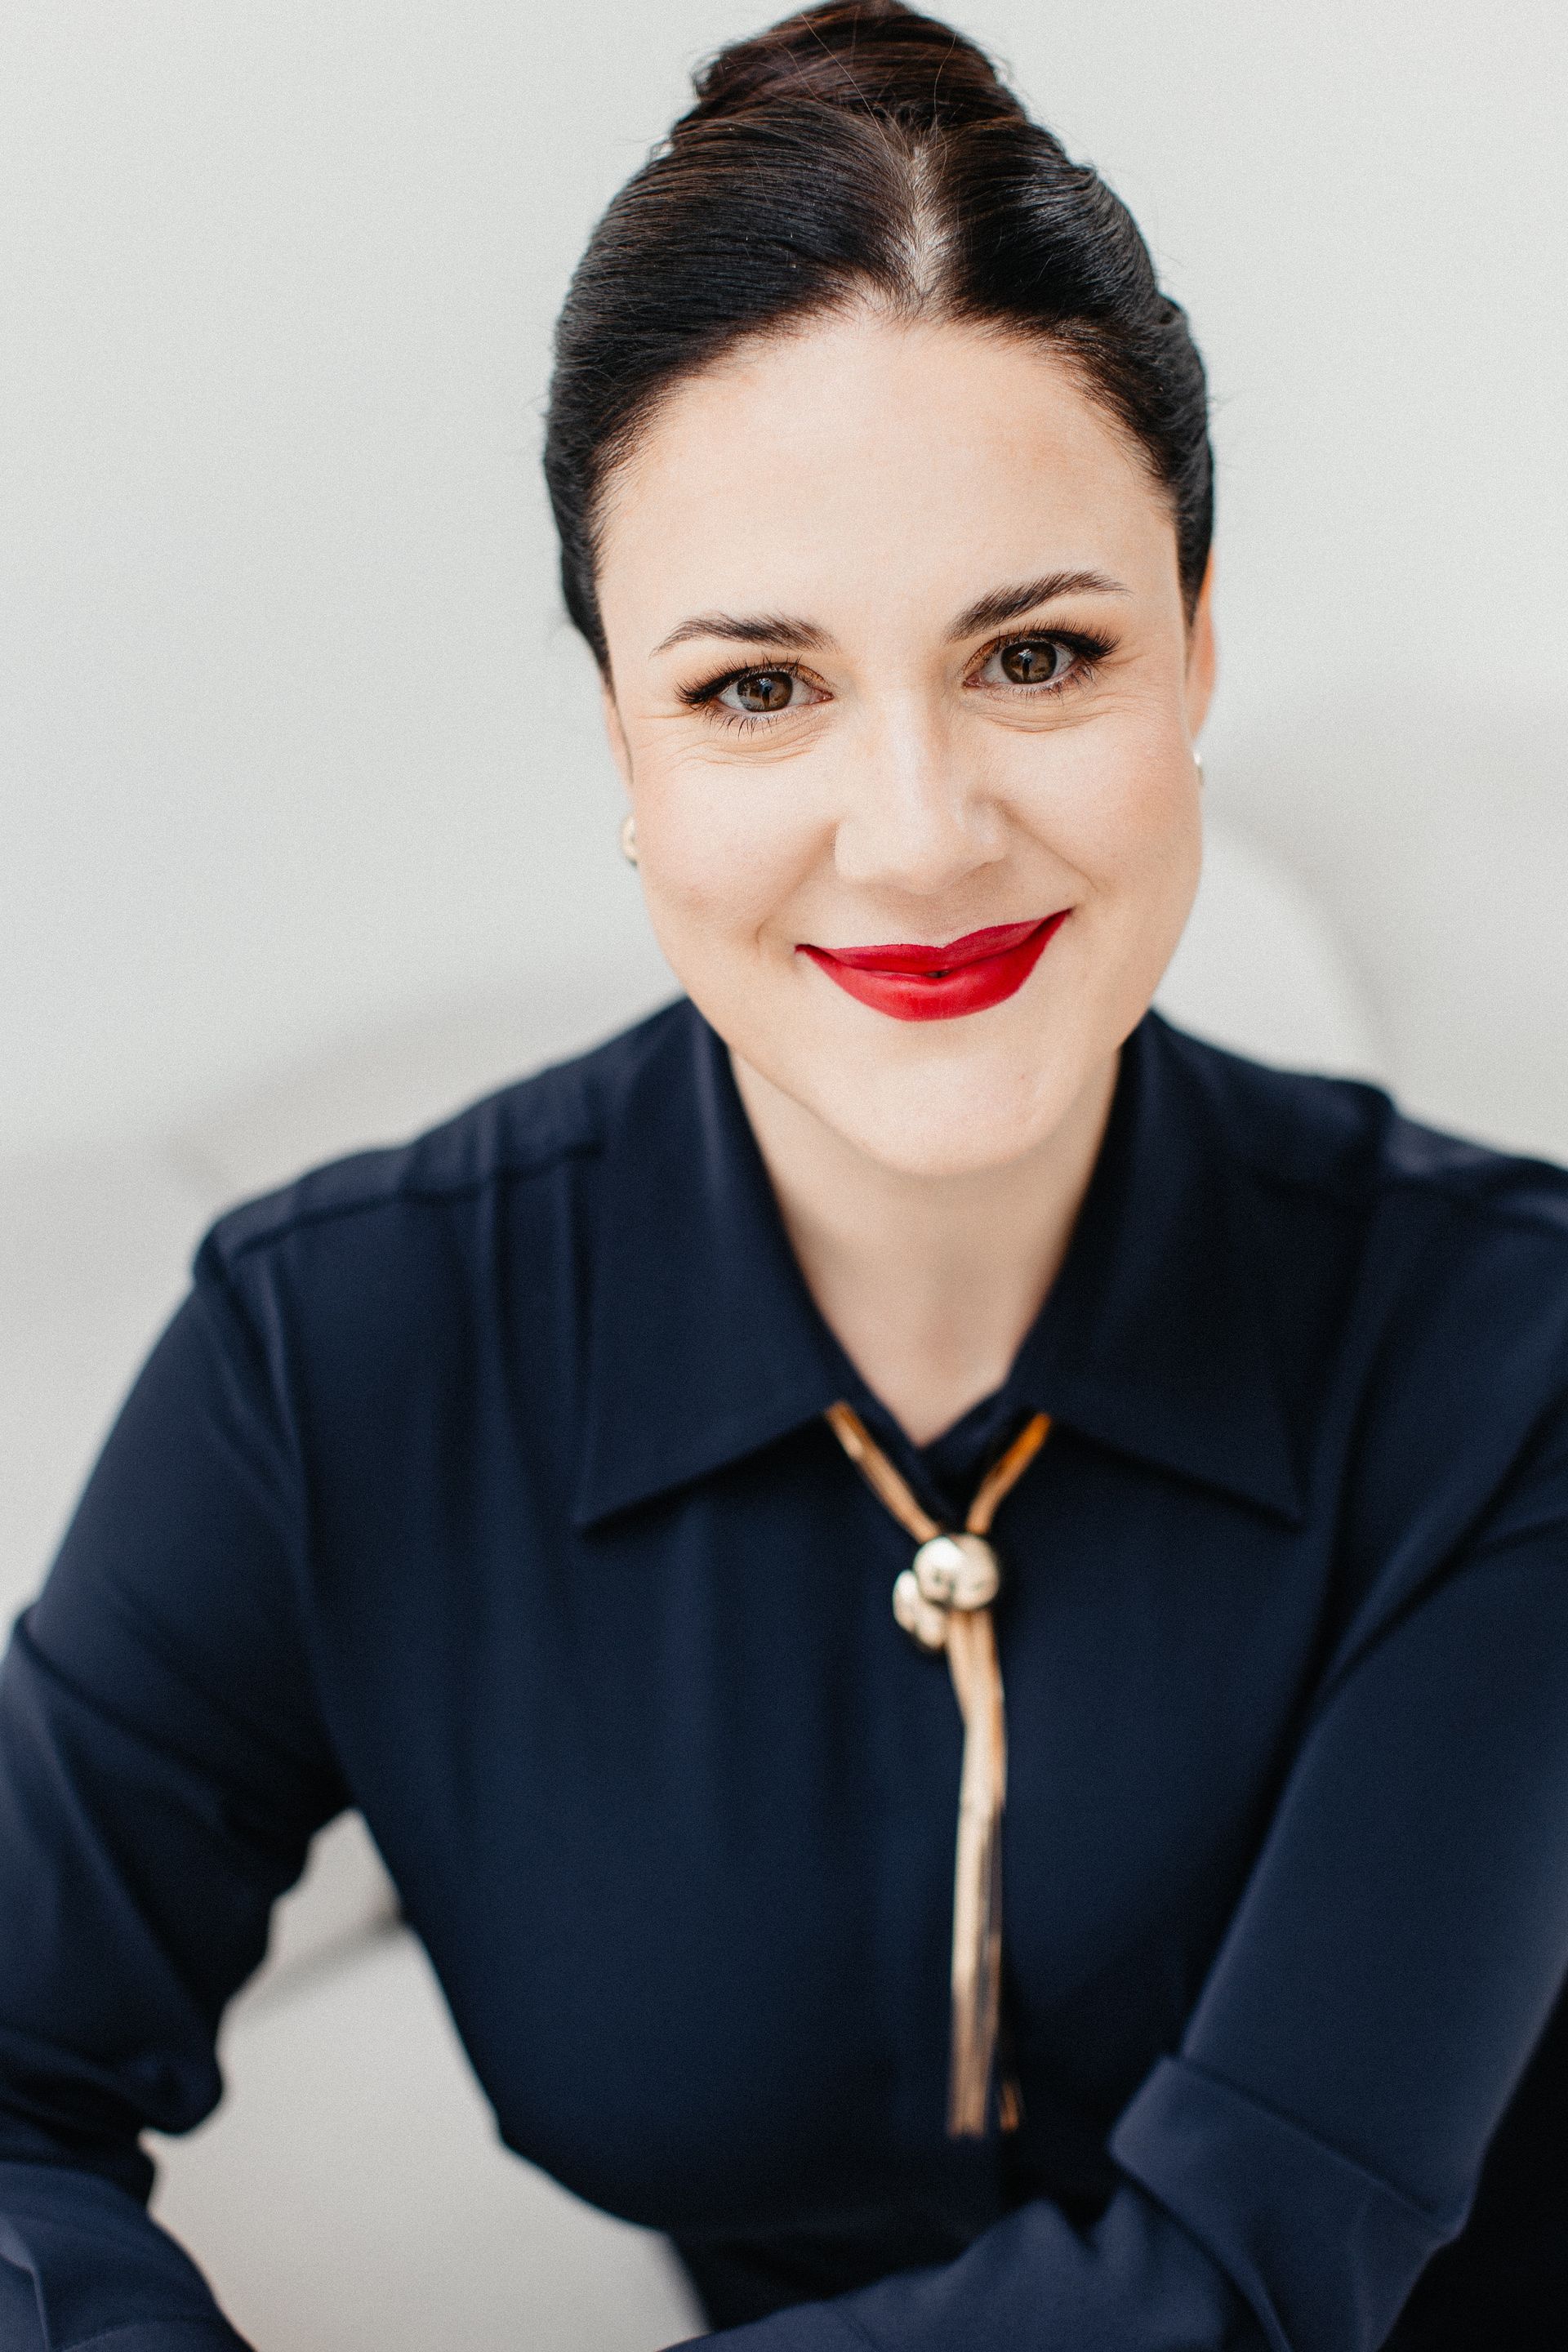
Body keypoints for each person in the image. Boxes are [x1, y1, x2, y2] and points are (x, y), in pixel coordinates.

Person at [2, 3, 1566, 2345]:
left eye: (1037, 654)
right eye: (759, 689)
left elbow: (1242, 2282)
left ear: (1199, 660)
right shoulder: (328, 1368)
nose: (921, 835)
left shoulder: (1512, 1356)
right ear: (620, 730)